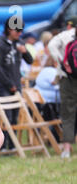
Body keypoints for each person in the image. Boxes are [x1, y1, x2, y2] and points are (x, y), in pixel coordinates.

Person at [0, 17, 33, 150]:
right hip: (4, 86)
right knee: (6, 117)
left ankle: (13, 145)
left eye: (21, 31)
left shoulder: (20, 43)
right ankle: (3, 146)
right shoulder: (0, 45)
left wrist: (25, 51)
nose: (20, 33)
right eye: (17, 30)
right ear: (9, 29)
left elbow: (30, 61)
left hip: (17, 83)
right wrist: (10, 85)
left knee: (15, 116)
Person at [48, 16, 77, 158]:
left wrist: (61, 62)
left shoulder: (63, 35)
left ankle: (66, 149)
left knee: (67, 113)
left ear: (68, 25)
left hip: (67, 79)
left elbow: (51, 46)